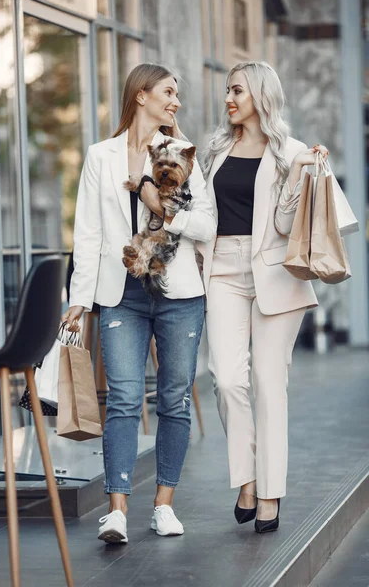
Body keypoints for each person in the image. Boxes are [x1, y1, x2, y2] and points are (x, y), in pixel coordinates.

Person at [62, 63, 216, 544]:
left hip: (179, 293)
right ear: (141, 94)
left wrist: (156, 204)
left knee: (173, 399)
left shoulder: (184, 154)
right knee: (124, 399)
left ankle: (164, 506)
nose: (176, 101)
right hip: (120, 294)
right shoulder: (100, 155)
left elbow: (206, 228)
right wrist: (78, 300)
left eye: (177, 94)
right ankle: (117, 510)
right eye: (169, 92)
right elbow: (87, 232)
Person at [200, 61, 328, 533]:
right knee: (227, 379)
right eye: (227, 91)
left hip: (275, 273)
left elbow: (282, 225)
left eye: (237, 90)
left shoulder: (292, 151)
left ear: (259, 94)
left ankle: (270, 492)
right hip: (223, 270)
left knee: (269, 386)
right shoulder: (214, 151)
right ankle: (246, 477)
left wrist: (297, 171)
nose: (229, 99)